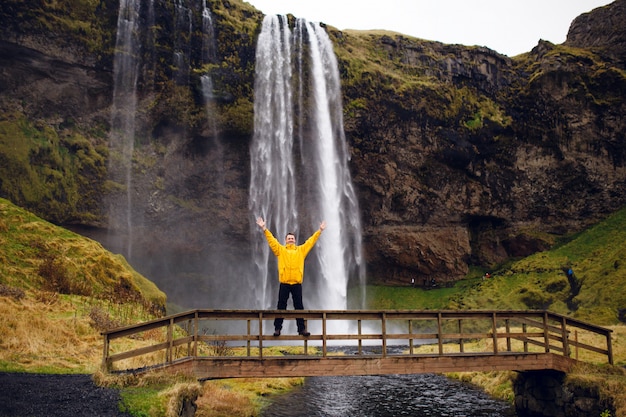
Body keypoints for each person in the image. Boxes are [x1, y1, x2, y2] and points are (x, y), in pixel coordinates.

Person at [256, 217, 326, 337]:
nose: (290, 240)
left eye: (292, 238)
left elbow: (310, 241)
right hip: (284, 283)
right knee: (281, 306)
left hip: (296, 283)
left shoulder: (301, 250)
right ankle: (278, 328)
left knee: (299, 306)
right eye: (289, 238)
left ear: (295, 240)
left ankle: (301, 329)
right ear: (285, 240)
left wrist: (319, 230)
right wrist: (264, 228)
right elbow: (272, 241)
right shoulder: (281, 250)